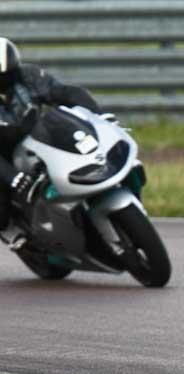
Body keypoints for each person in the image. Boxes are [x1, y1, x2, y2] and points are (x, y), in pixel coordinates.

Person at [0, 37, 102, 234]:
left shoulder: (28, 76)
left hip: (37, 137)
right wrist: (12, 177)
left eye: (8, 75)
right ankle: (17, 234)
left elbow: (66, 93)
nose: (4, 82)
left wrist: (99, 115)